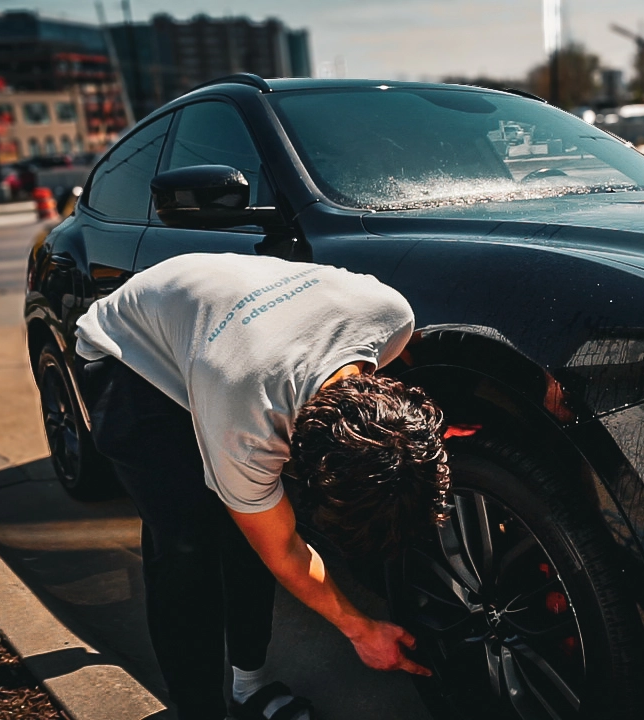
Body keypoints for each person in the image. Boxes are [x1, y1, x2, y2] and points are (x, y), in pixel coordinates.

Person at [75, 252, 450, 720]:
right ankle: (201, 711)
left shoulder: (390, 315)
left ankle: (248, 686)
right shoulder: (249, 429)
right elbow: (285, 551)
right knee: (189, 545)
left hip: (222, 332)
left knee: (247, 526)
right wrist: (360, 629)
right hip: (131, 355)